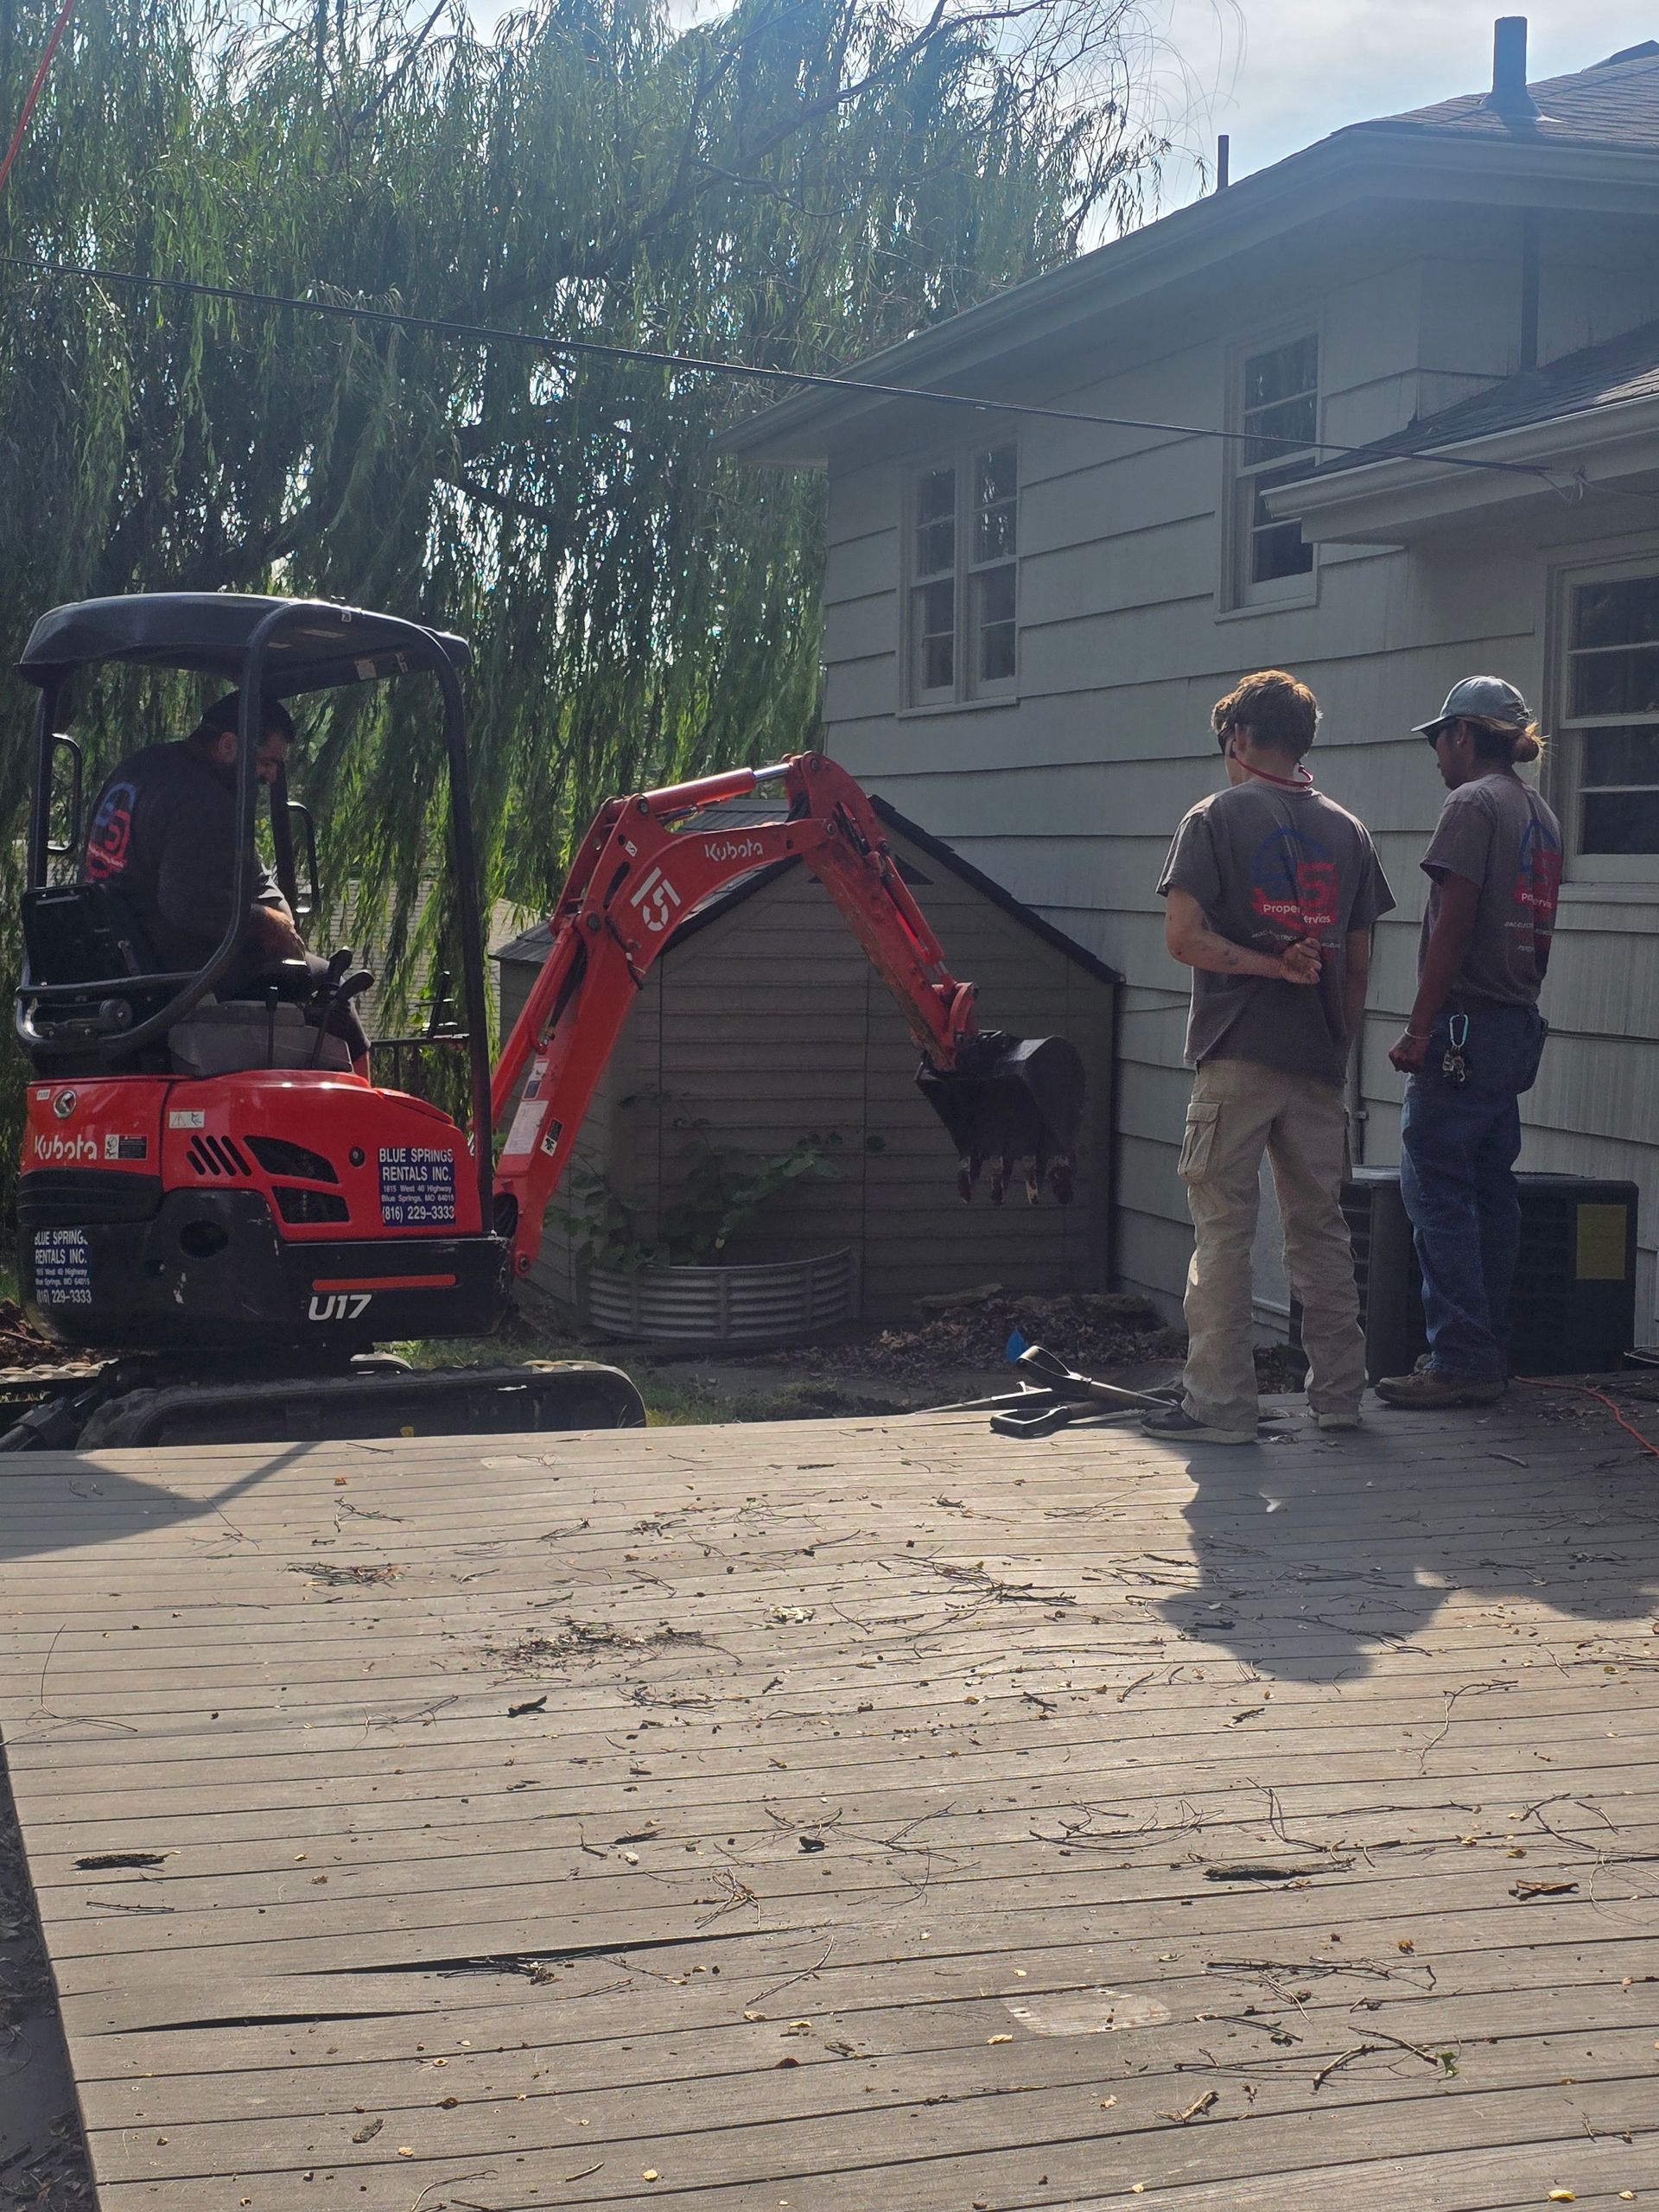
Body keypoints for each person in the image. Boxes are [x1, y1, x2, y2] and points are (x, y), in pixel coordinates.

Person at [1145, 670, 1395, 1446]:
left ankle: (1220, 1407)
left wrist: (1264, 965)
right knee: (1320, 1230)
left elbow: (1183, 939)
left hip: (1237, 1055)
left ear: (1241, 739)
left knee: (1224, 1228)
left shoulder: (1213, 817)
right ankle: (1342, 1398)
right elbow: (1358, 963)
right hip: (1318, 1063)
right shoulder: (1350, 831)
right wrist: (1336, 1045)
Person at [1377, 677, 1560, 1409]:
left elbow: (1454, 921)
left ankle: (1460, 1358)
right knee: (1492, 1192)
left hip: (1464, 1026)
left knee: (1437, 1191)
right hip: (1515, 1024)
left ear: (1462, 734)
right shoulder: (1538, 812)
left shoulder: (1472, 804)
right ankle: (1487, 1348)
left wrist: (1420, 1027)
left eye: (1438, 740)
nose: (1436, 756)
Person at [81, 691, 370, 1071]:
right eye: (267, 761)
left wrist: (278, 910)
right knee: (327, 989)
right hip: (172, 972)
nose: (271, 775)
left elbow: (249, 869)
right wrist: (265, 922)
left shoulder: (139, 769)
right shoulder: (203, 797)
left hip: (120, 963)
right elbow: (185, 904)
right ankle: (365, 1114)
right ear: (228, 744)